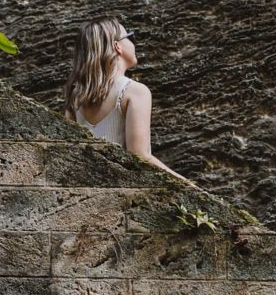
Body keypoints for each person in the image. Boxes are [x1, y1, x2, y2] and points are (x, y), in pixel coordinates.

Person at [63, 16, 191, 183]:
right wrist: (188, 185)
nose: (133, 42)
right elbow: (139, 156)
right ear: (117, 46)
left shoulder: (75, 100)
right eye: (130, 37)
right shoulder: (134, 92)